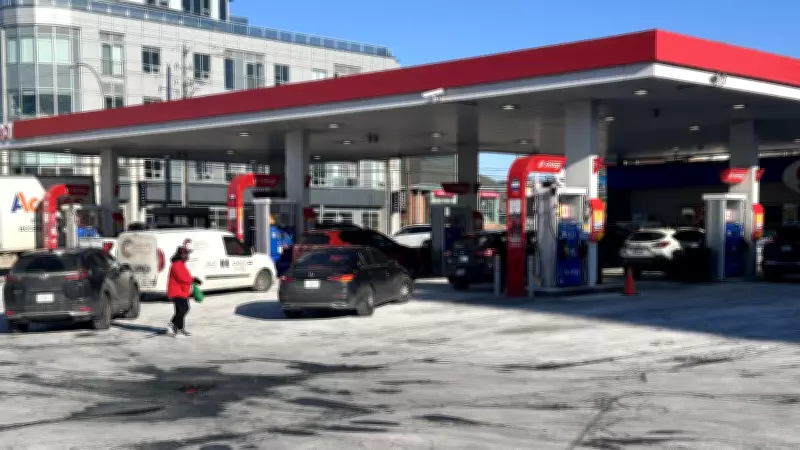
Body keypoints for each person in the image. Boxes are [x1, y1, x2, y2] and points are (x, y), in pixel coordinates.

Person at [166, 246, 202, 337]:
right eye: (186, 254)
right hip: (176, 291)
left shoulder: (180, 263)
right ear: (181, 255)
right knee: (182, 309)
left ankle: (177, 327)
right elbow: (182, 278)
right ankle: (176, 327)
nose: (187, 256)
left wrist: (193, 279)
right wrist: (193, 279)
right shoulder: (177, 264)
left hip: (181, 291)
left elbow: (185, 276)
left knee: (183, 309)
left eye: (188, 254)